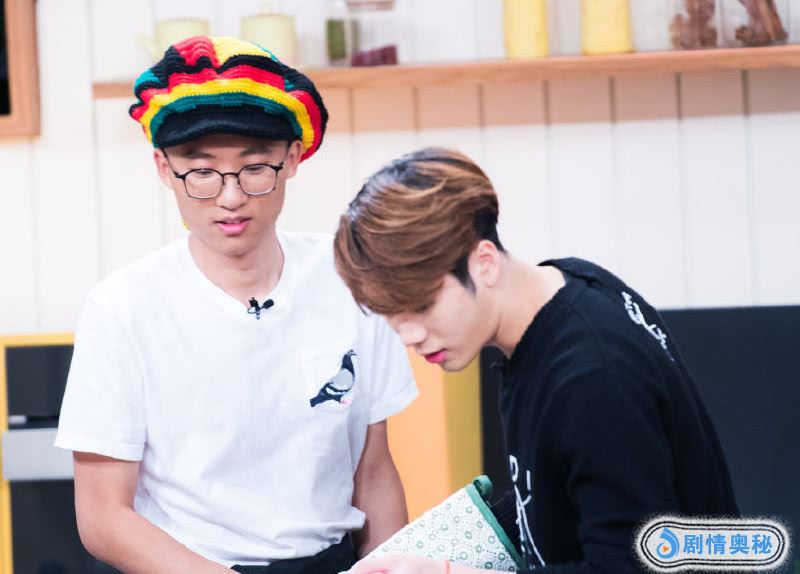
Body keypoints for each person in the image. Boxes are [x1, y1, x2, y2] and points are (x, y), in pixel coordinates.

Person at [55, 36, 417, 574]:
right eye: (201, 172)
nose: (231, 197)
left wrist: (391, 566)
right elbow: (104, 517)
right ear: (163, 168)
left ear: (291, 159)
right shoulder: (122, 308)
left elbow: (374, 471)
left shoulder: (350, 279)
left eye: (255, 168)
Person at [333, 147, 739, 574]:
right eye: (393, 317)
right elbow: (567, 487)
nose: (410, 337)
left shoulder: (592, 377)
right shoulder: (566, 287)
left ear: (484, 263)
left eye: (421, 306)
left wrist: (448, 573)